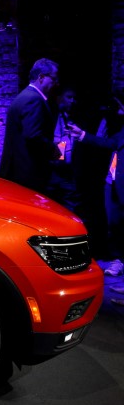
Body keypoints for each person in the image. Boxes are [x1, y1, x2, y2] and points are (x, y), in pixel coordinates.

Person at [66, 95, 124, 282]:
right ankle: (118, 259)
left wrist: (83, 135)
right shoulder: (117, 125)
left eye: (121, 108)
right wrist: (83, 135)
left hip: (121, 181)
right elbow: (110, 142)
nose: (119, 112)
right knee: (112, 222)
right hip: (111, 181)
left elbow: (113, 143)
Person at [0, 58, 62, 194]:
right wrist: (52, 148)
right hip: (27, 173)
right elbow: (33, 136)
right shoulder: (34, 99)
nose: (57, 83)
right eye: (54, 79)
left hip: (18, 171)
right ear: (41, 77)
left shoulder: (23, 96)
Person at [45, 85, 81, 211]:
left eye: (74, 98)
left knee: (71, 204)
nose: (72, 101)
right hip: (52, 169)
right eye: (69, 97)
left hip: (68, 170)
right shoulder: (50, 116)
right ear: (59, 99)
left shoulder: (74, 117)